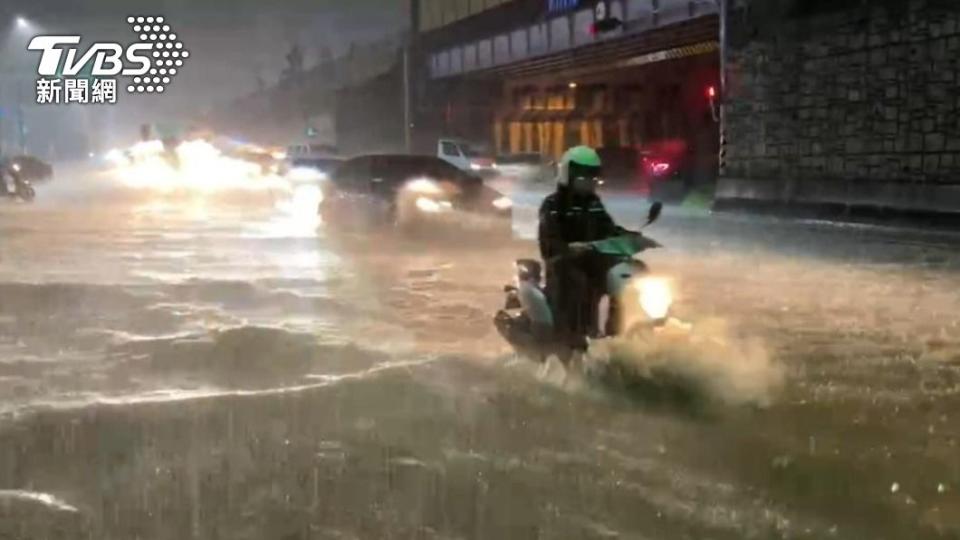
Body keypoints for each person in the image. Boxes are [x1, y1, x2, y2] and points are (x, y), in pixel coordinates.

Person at [538, 145, 634, 349]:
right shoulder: (553, 205)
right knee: (577, 281)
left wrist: (626, 236)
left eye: (592, 176)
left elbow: (607, 227)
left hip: (592, 260)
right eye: (583, 176)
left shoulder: (594, 204)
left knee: (626, 277)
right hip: (563, 263)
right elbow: (549, 239)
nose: (589, 181)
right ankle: (571, 336)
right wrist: (568, 248)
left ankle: (618, 337)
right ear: (568, 174)